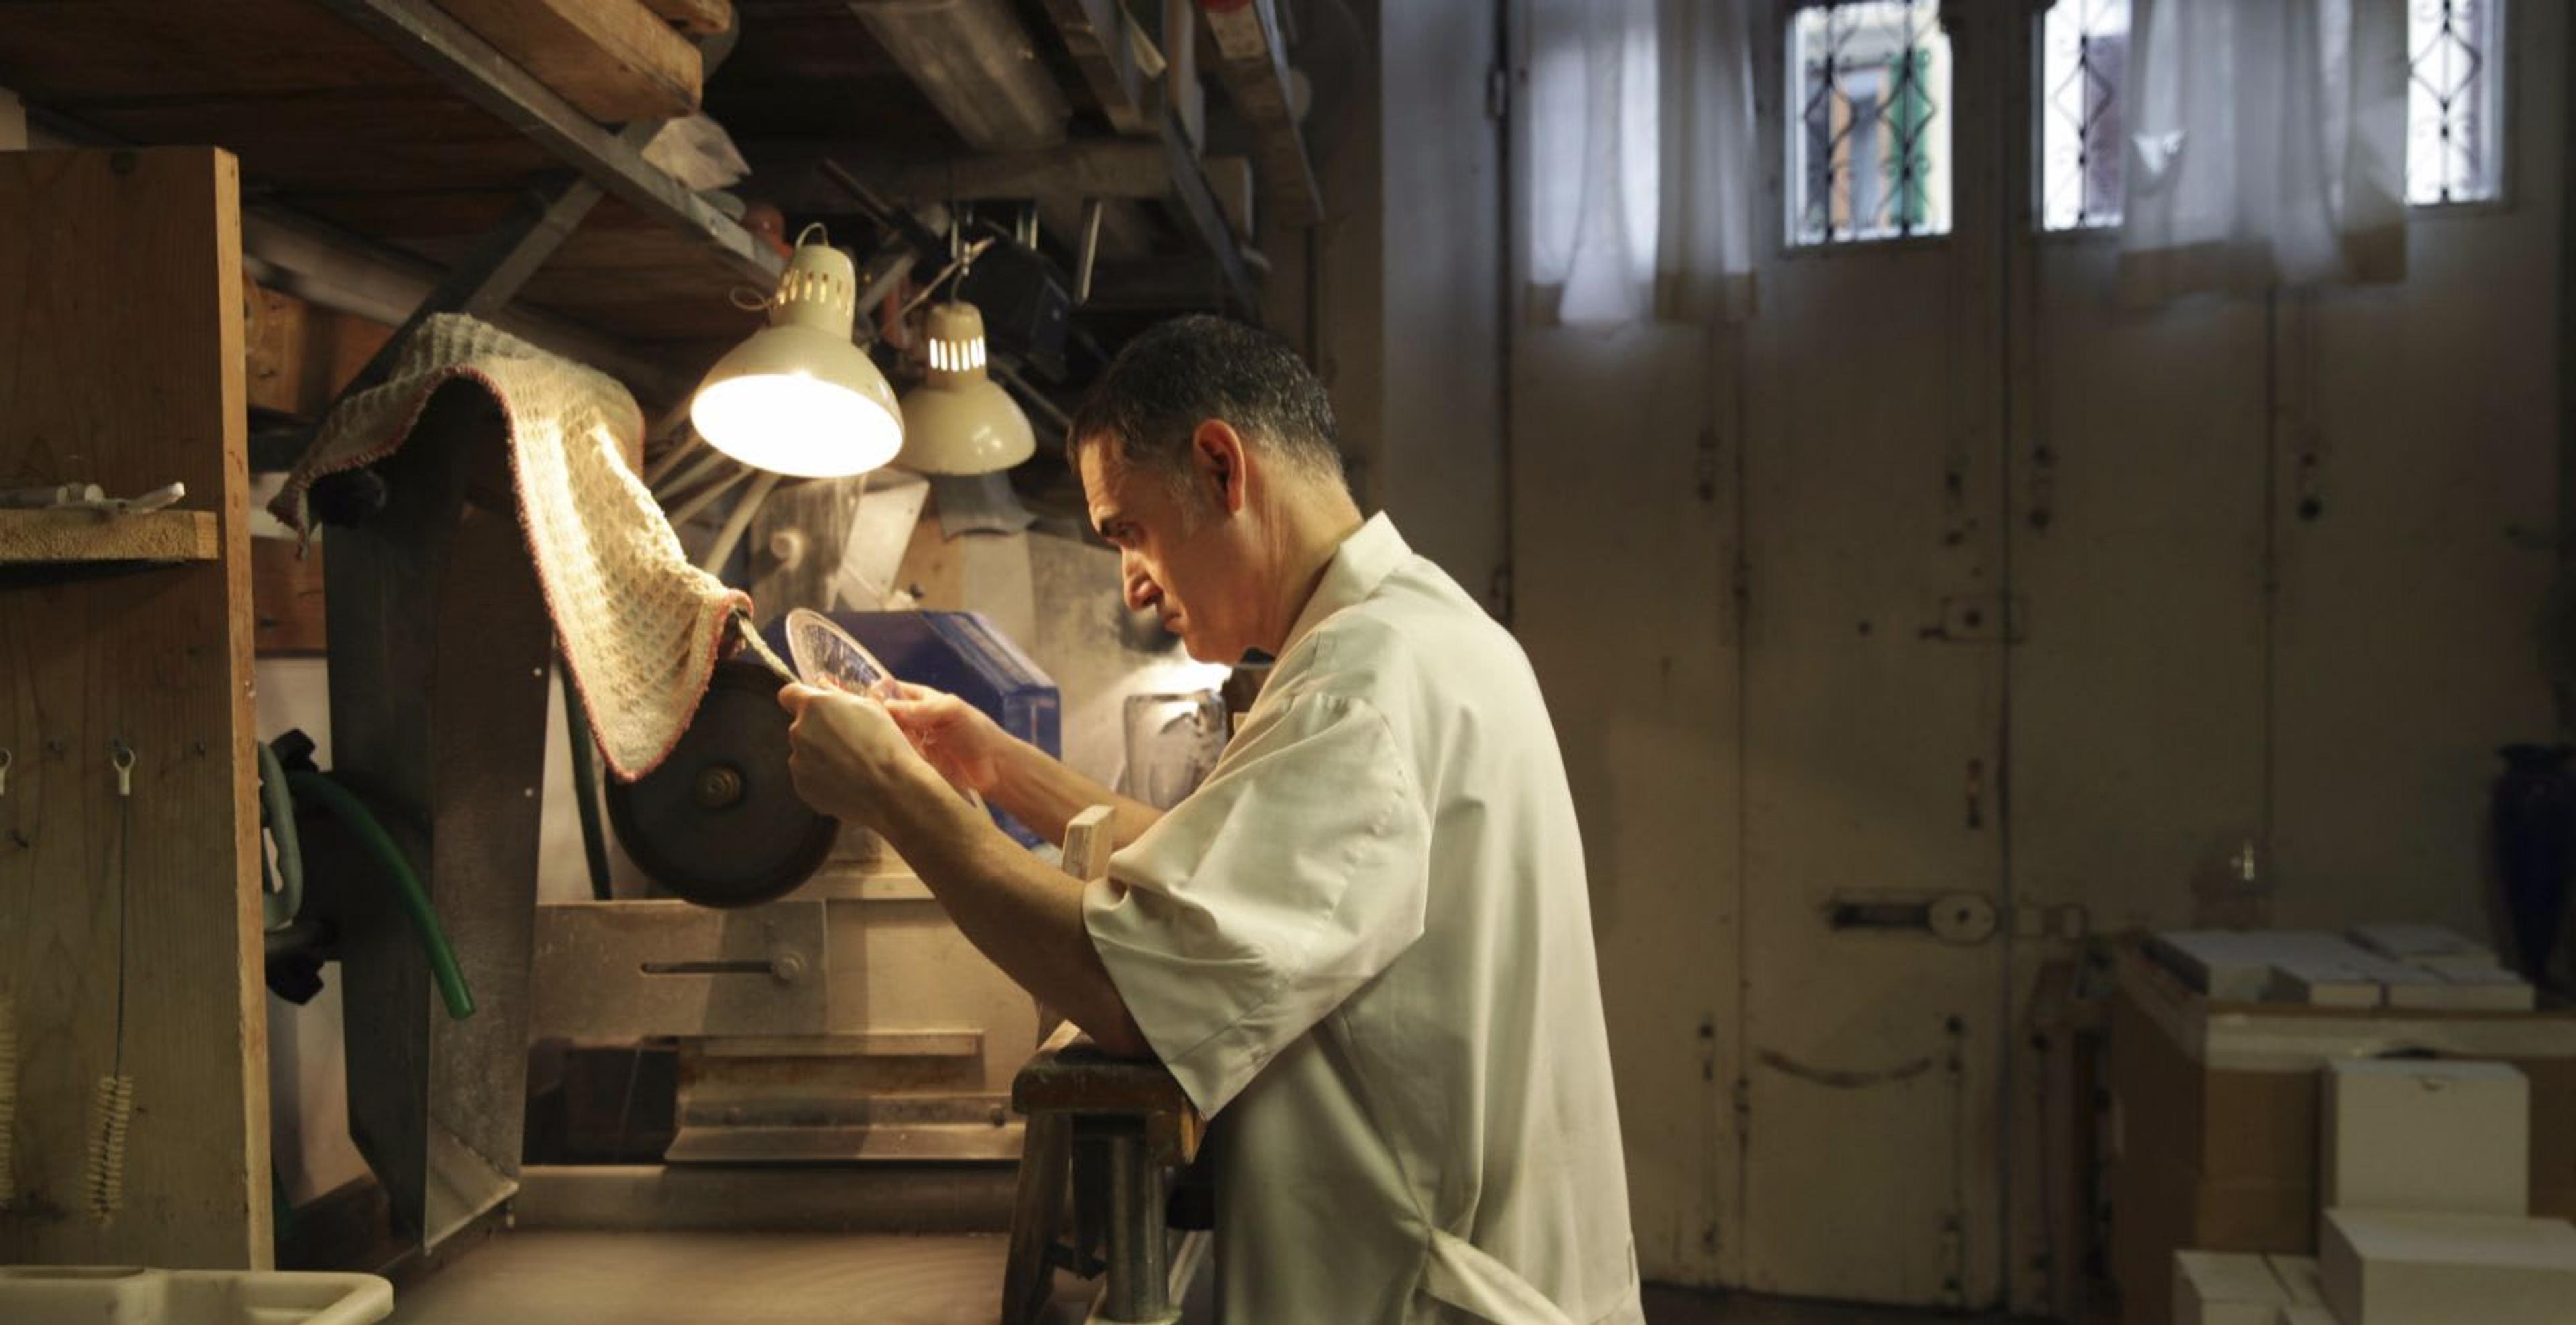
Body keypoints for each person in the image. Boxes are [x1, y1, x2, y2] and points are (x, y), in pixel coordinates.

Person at [778, 315, 1642, 1325]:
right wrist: (994, 765)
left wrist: (899, 798)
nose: (1133, 582)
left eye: (1129, 530)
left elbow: (1132, 991)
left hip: (1422, 1296)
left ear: (1223, 468)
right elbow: (1239, 881)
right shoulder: (1430, 633)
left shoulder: (1358, 688)